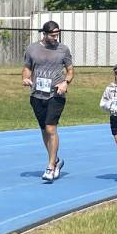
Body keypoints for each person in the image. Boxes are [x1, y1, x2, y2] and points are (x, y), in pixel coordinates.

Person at [22, 21, 74, 182]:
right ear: (44, 34)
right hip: (37, 95)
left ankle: (51, 166)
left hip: (56, 94)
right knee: (45, 130)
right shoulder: (32, 49)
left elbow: (70, 71)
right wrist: (25, 78)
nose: (55, 37)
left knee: (51, 128)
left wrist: (65, 82)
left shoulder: (63, 49)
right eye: (52, 35)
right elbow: (27, 67)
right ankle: (56, 160)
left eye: (57, 34)